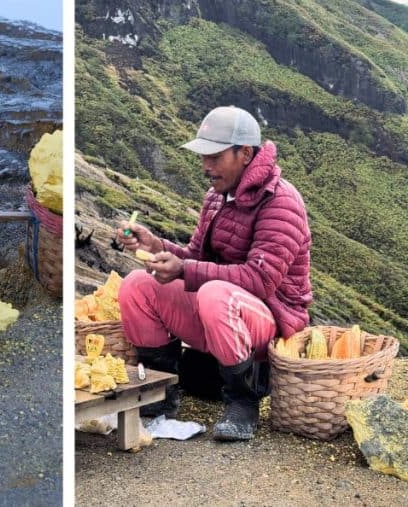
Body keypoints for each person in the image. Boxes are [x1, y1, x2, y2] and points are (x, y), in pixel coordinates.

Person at [115, 105, 312, 441]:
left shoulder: (281, 202)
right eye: (203, 156)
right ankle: (159, 393)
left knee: (213, 293)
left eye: (215, 157)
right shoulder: (217, 198)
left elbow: (261, 281)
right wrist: (156, 244)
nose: (205, 166)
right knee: (137, 285)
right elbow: (196, 257)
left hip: (270, 323)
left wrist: (186, 270)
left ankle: (243, 403)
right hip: (221, 312)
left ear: (245, 154)